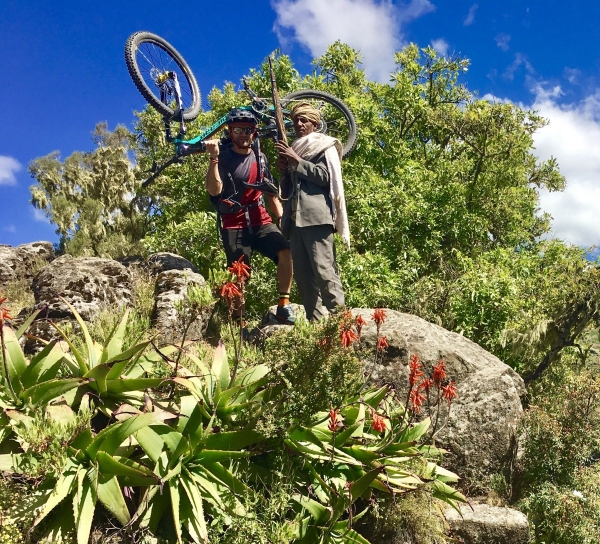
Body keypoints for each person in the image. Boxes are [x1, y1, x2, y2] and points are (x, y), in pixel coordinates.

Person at [204, 108, 295, 324]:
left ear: (254, 132)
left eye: (248, 130)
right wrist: (214, 159)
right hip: (233, 223)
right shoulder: (223, 156)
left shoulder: (260, 157)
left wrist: (280, 217)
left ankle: (284, 304)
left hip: (259, 218)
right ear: (230, 131)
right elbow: (214, 190)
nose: (243, 134)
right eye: (238, 130)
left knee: (285, 251)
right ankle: (238, 323)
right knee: (239, 275)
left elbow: (269, 190)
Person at [275, 102, 350, 321]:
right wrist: (284, 172)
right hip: (295, 221)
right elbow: (287, 191)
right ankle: (316, 326)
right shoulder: (295, 148)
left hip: (317, 219)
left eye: (304, 120)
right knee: (305, 280)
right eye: (296, 120)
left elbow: (326, 178)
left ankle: (340, 321)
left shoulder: (324, 146)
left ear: (315, 124)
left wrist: (297, 161)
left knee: (325, 271)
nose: (298, 124)